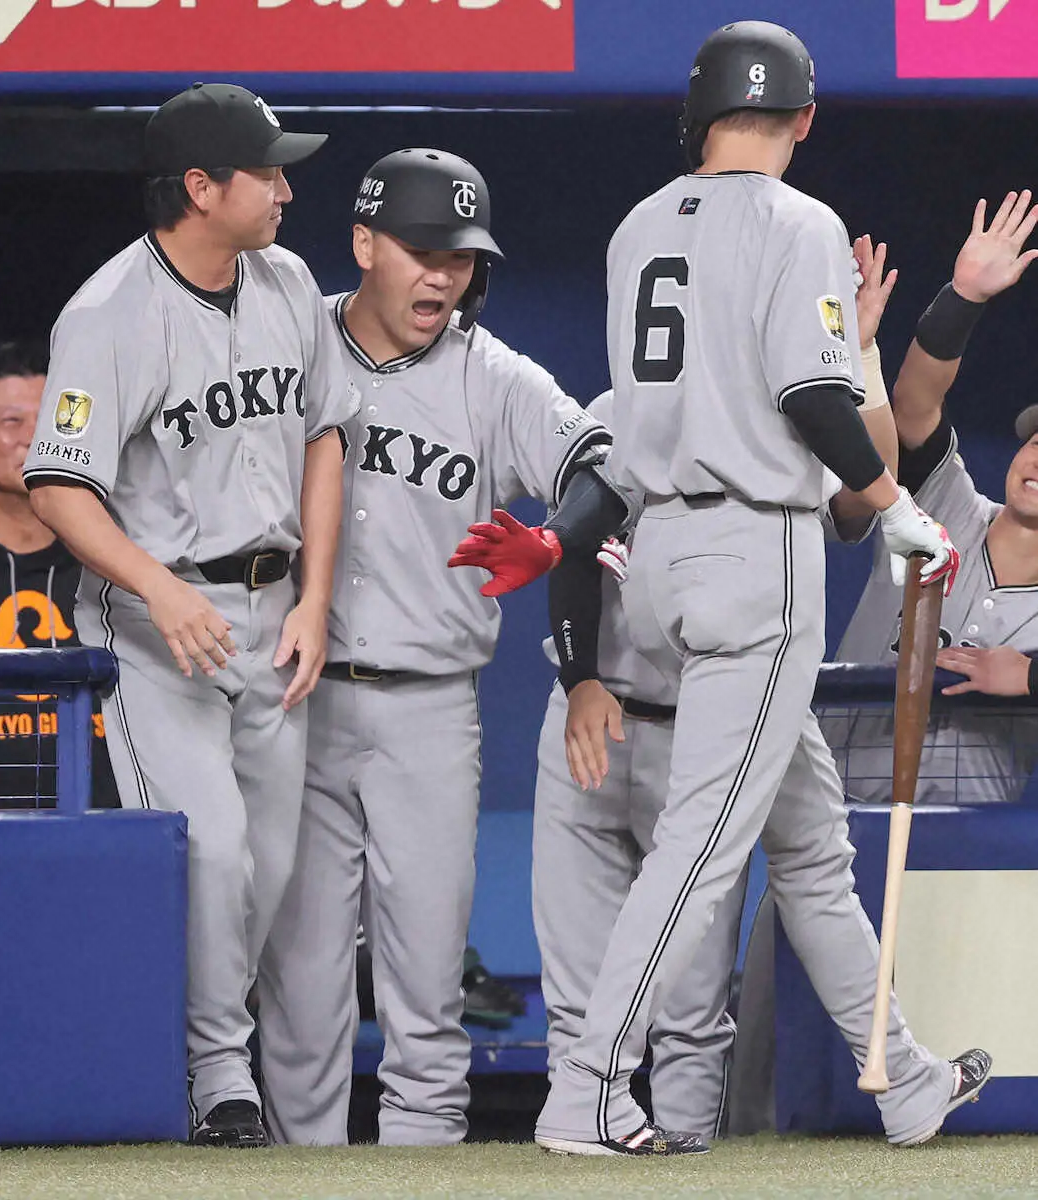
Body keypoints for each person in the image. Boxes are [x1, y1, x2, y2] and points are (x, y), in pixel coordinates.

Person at [451, 21, 990, 1157]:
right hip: (756, 551)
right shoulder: (801, 223)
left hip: (658, 550)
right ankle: (587, 1088)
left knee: (808, 849)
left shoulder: (638, 222)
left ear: (695, 116)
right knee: (700, 847)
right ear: (804, 118)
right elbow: (809, 394)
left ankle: (900, 1076)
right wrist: (890, 503)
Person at [256, 147, 635, 1148]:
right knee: (300, 990)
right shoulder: (290, 341)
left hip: (427, 707)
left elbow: (603, 467)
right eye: (422, 253)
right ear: (363, 245)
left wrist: (556, 535)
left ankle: (423, 1171)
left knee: (426, 984)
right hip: (294, 699)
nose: (441, 277)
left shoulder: (491, 375)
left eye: (460, 258)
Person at [23, 83, 357, 1148]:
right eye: (267, 171)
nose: (286, 189)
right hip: (154, 622)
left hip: (274, 611)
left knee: (265, 870)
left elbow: (324, 435)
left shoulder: (288, 281)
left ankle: (188, 1054)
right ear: (201, 188)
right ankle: (219, 1082)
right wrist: (158, 589)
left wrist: (314, 597)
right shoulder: (108, 313)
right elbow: (58, 484)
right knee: (210, 853)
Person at [533, 235, 904, 1141]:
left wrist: (856, 354)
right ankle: (586, 1107)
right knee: (583, 991)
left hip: (711, 716)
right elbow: (573, 542)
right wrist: (580, 678)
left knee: (700, 1008)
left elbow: (863, 494)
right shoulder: (621, 413)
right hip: (605, 716)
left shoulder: (777, 419)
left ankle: (883, 1083)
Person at [833, 191, 1038, 805]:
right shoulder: (944, 506)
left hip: (963, 841)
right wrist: (964, 297)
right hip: (826, 815)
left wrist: (1033, 676)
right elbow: (915, 404)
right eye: (1036, 443)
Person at [0, 339, 117, 809]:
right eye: (11, 422)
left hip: (104, 820)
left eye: (45, 418)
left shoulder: (118, 560)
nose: (33, 437)